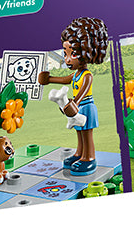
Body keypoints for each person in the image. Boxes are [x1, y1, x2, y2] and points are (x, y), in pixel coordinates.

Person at [38, 17, 110, 174]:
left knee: (87, 133)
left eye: (73, 54)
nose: (68, 60)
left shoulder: (87, 75)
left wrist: (75, 103)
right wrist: (48, 79)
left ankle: (89, 157)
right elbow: (65, 80)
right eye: (65, 54)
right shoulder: (76, 74)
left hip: (86, 107)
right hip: (78, 107)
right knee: (79, 131)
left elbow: (84, 90)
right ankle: (79, 154)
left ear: (87, 53)